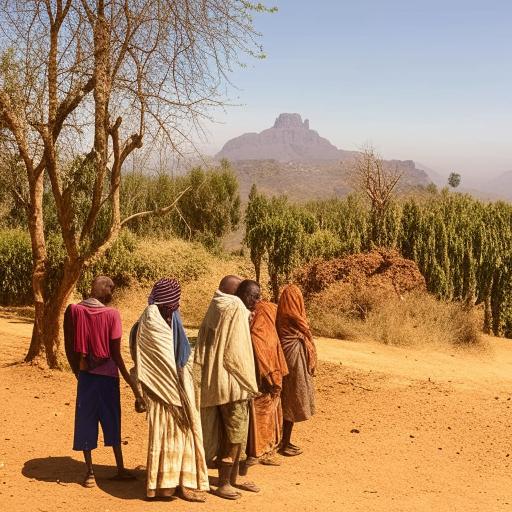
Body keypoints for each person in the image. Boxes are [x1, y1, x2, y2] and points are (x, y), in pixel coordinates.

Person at [129, 278, 209, 501]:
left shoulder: (172, 317)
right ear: (165, 300)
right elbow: (160, 358)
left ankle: (183, 483)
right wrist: (175, 388)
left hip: (180, 387)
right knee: (165, 434)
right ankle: (162, 483)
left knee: (185, 434)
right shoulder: (152, 317)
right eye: (174, 300)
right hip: (161, 390)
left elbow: (180, 353)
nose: (177, 305)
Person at [63, 276, 143, 488]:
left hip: (86, 377)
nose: (112, 293)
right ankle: (120, 468)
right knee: (112, 420)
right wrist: (135, 388)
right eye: (112, 289)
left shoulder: (74, 311)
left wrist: (78, 372)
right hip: (108, 378)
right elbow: (116, 355)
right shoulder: (112, 314)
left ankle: (89, 473)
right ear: (106, 290)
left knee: (85, 421)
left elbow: (69, 345)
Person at [194, 275, 260, 500]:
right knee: (235, 433)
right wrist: (249, 382)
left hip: (214, 381)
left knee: (225, 432)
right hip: (233, 383)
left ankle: (231, 479)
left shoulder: (216, 305)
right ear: (237, 293)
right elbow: (237, 351)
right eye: (252, 296)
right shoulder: (235, 308)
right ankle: (224, 483)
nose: (255, 301)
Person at [236, 280, 289, 466]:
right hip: (255, 370)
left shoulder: (263, 311)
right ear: (241, 295)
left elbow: (268, 340)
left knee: (270, 410)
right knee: (257, 411)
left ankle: (267, 449)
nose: (256, 299)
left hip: (268, 369)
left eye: (258, 295)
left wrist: (269, 371)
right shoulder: (241, 313)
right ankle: (255, 451)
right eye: (252, 296)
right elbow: (258, 341)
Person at [276, 284, 317, 457]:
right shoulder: (293, 316)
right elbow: (305, 328)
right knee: (291, 399)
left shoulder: (282, 313)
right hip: (293, 358)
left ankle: (284, 441)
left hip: (289, 354)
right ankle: (284, 443)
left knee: (287, 399)